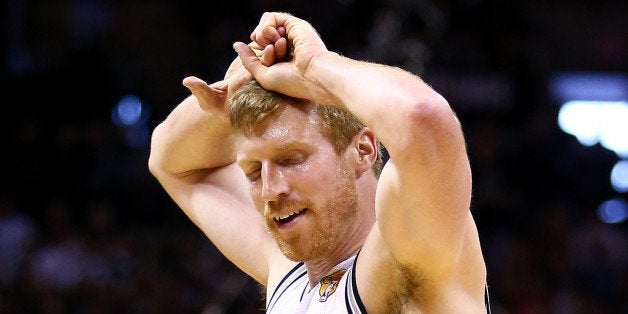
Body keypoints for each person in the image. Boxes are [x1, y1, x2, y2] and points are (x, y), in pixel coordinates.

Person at [149, 12, 490, 313]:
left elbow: (423, 118)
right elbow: (170, 164)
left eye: (291, 160)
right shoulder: (285, 267)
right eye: (253, 171)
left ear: (364, 150)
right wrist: (236, 93)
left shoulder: (408, 252)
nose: (270, 190)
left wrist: (314, 68)